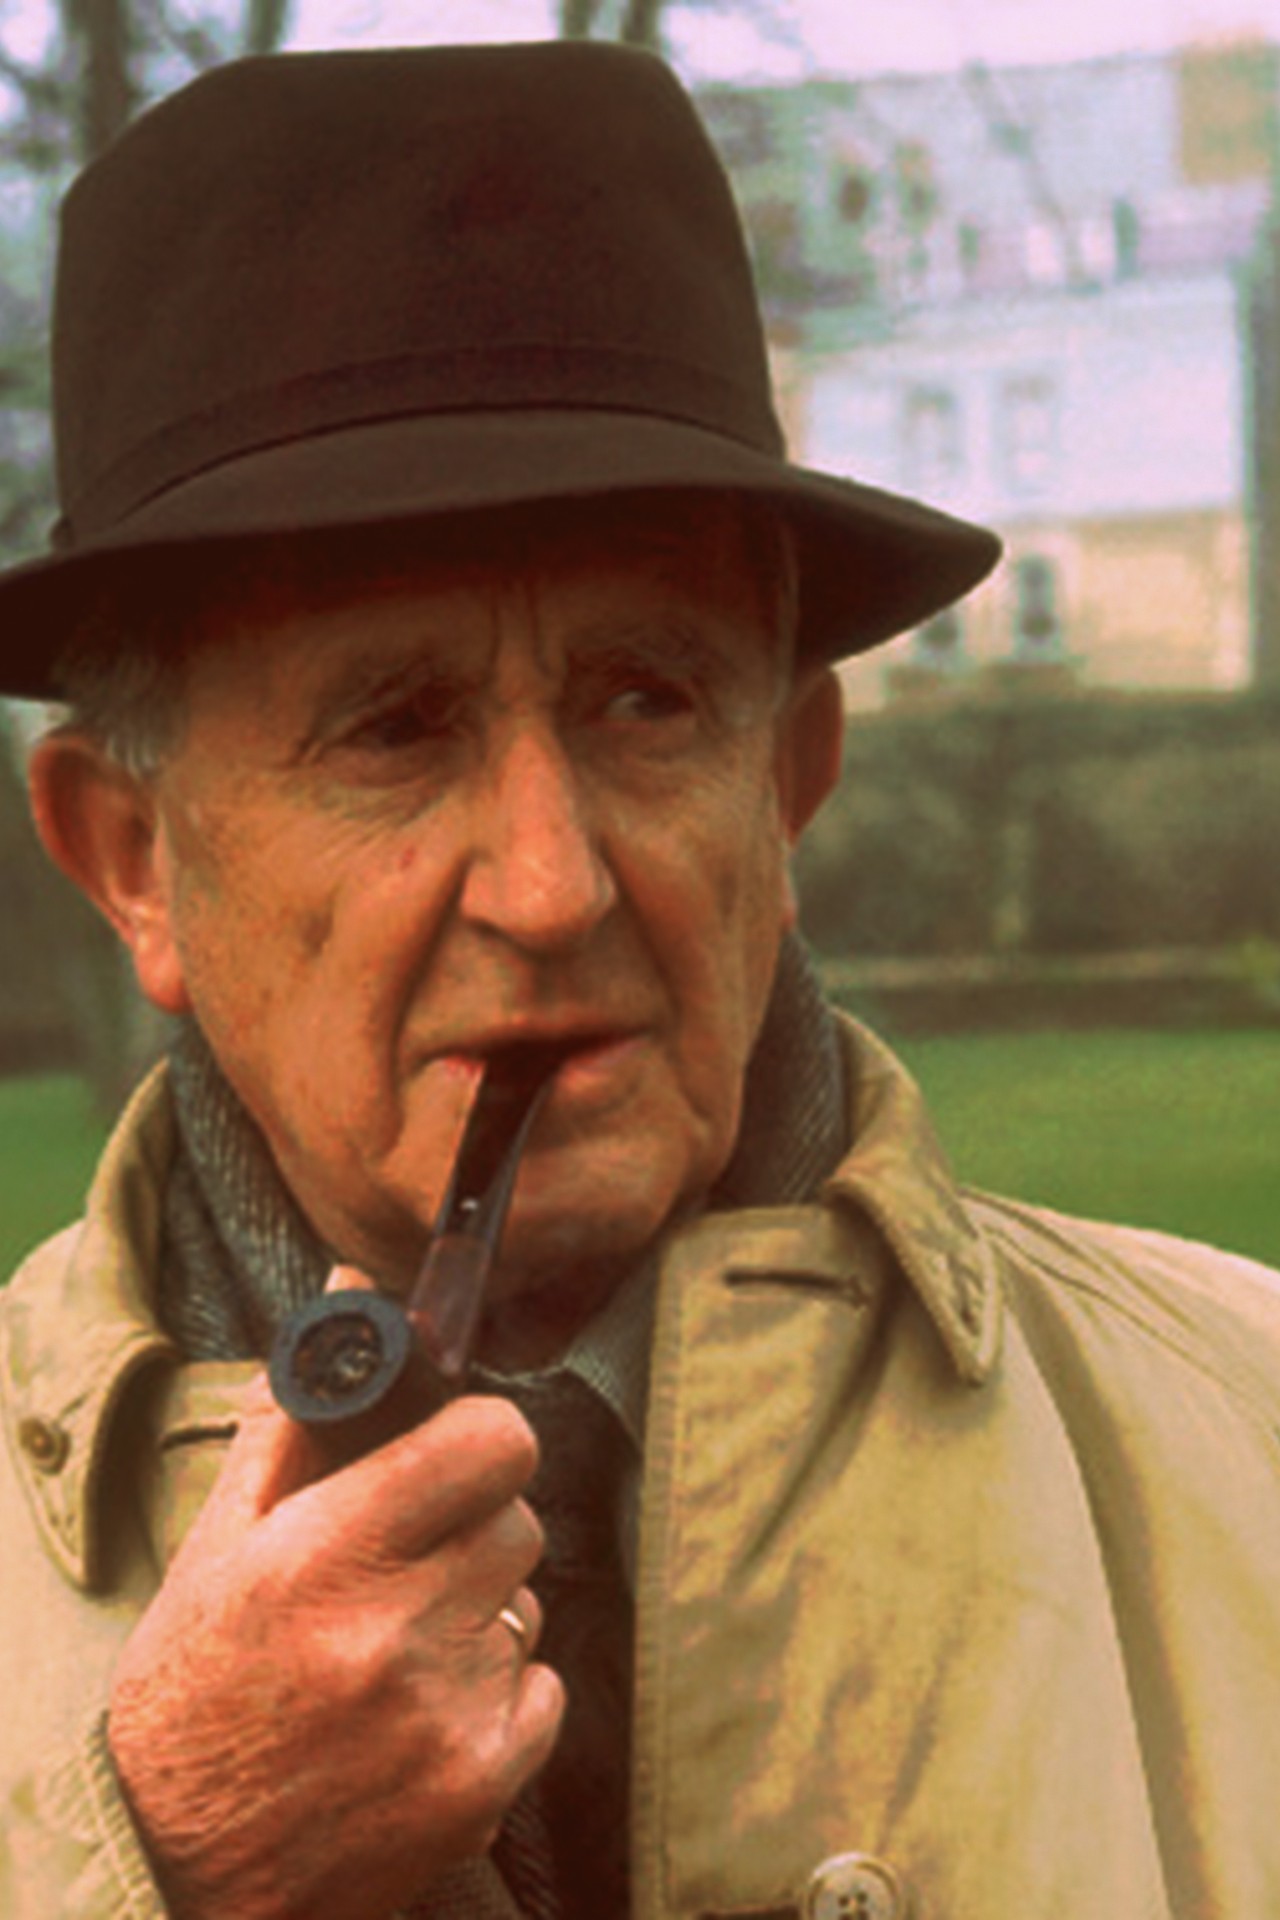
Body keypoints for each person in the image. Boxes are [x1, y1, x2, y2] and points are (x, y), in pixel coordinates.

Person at [1, 38, 1279, 1920]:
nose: (551, 883)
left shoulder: (1252, 1435)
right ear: (131, 862)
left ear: (788, 779)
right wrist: (172, 1861)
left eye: (648, 699)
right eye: (395, 727)